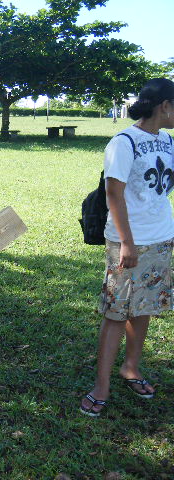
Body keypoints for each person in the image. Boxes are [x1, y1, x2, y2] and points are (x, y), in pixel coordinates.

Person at [80, 78, 174, 417]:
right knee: (117, 312)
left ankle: (131, 368)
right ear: (165, 105)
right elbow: (113, 194)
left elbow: (162, 190)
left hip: (161, 238)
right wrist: (128, 243)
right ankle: (101, 385)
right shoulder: (123, 141)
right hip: (127, 241)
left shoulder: (168, 140)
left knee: (144, 307)